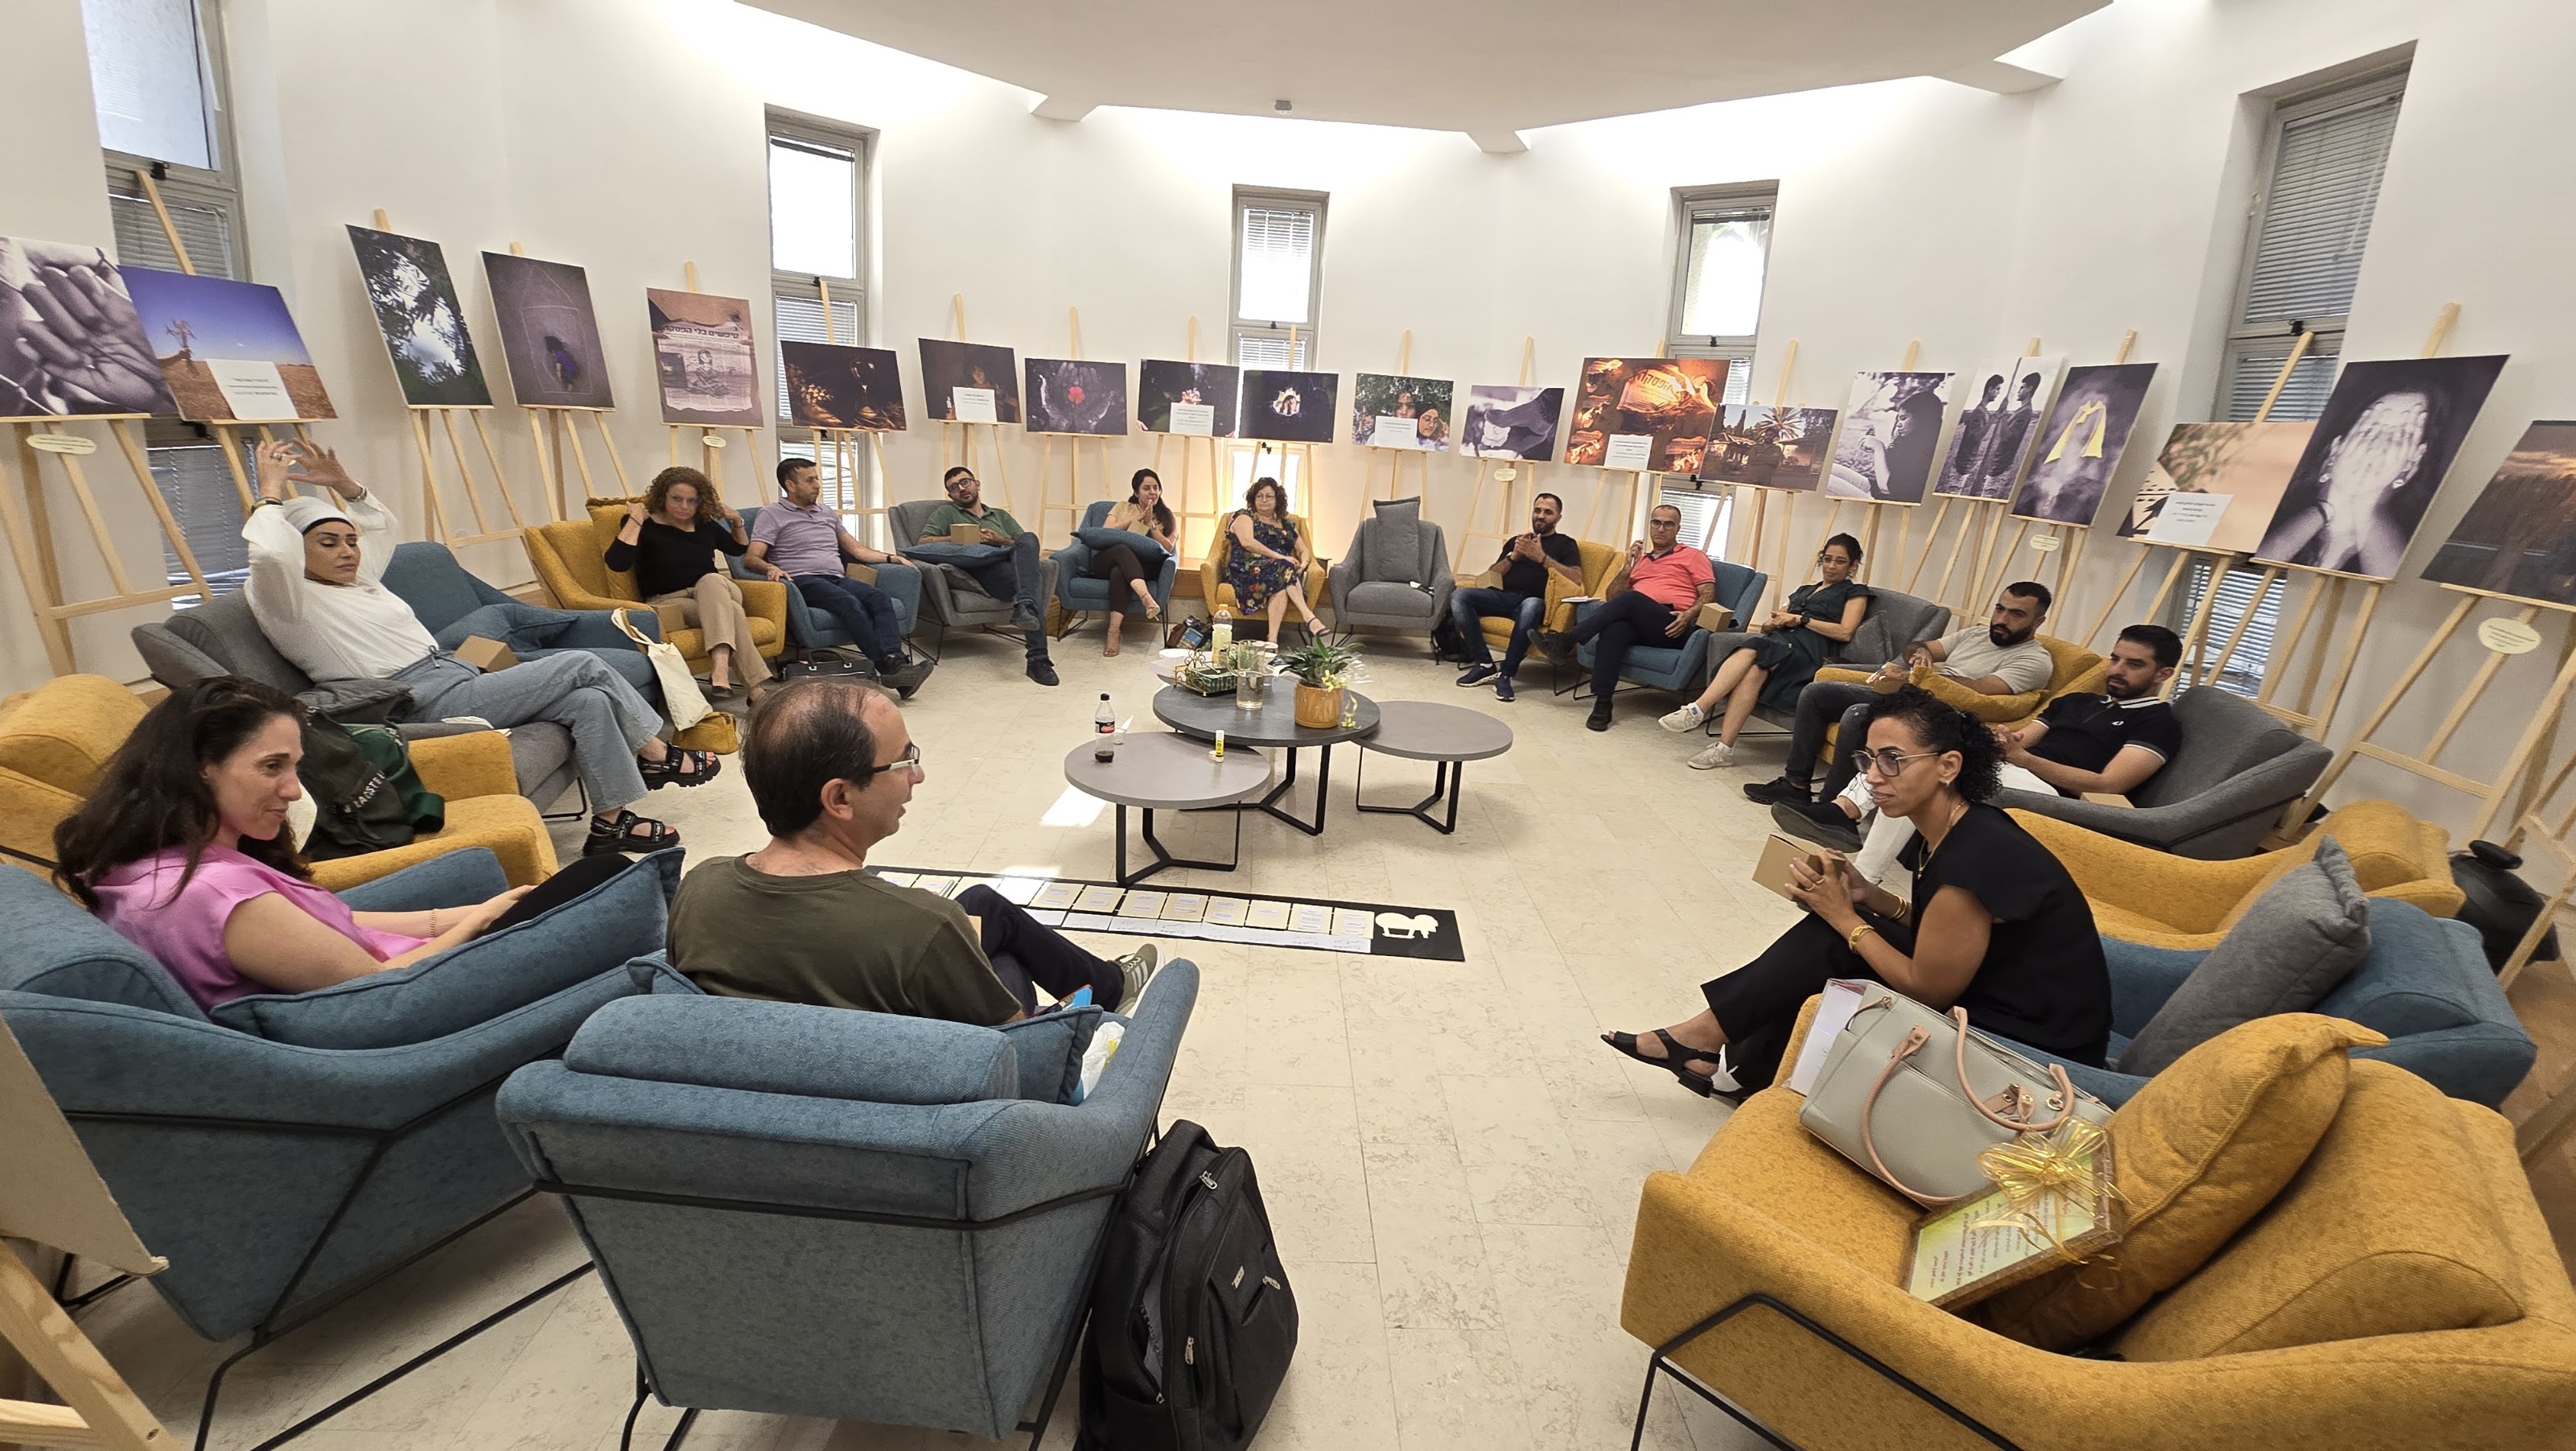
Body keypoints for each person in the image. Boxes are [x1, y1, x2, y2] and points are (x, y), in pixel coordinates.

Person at [1602, 686, 2112, 1097]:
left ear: (1948, 766)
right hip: (1999, 981)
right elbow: (1947, 930)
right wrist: (1869, 896)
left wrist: (1847, 918)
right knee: (1833, 928)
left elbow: (1928, 988)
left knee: (1835, 935)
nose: (1871, 777)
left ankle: (1707, 1044)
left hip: (2036, 1036)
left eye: (1892, 760)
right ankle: (1721, 1053)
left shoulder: (1973, 855)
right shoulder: (1955, 827)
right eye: (1867, 759)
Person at [243, 438, 712, 858]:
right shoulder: (288, 601)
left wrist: (348, 488)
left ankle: (612, 824)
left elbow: (381, 525)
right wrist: (268, 494)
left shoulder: (357, 580)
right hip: (412, 699)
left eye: (350, 541)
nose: (348, 551)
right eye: (329, 543)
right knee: (581, 664)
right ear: (296, 549)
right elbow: (269, 555)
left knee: (588, 700)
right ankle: (656, 752)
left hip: (453, 672)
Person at [56, 677, 636, 1011]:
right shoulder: (213, 896)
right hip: (416, 997)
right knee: (613, 880)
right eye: (272, 766)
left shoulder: (156, 866)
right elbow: (378, 989)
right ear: (200, 767)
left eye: (295, 765)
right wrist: (478, 926)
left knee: (575, 886)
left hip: (407, 967)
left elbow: (331, 923)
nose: (292, 789)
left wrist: (460, 913)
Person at [666, 678, 1160, 1022]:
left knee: (984, 905)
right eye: (903, 762)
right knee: (1005, 960)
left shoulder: (700, 889)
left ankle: (1109, 986)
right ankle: (1104, 994)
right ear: (839, 798)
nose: (917, 775)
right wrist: (1058, 1018)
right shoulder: (922, 926)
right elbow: (1025, 1058)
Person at [1776, 626, 2183, 883]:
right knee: (1914, 752)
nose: (2116, 669)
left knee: (1930, 773)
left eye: (2133, 664)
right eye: (2115, 658)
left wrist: (2026, 760)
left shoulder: (2158, 723)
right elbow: (2027, 736)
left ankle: (1862, 867)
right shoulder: (2078, 702)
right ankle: (1845, 812)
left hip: (2055, 795)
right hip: (2015, 768)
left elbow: (2110, 784)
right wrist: (2002, 740)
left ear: (2163, 674)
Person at [1737, 580, 2057, 802]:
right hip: (1915, 695)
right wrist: (1922, 655)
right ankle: (1795, 784)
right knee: (1818, 692)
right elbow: (1916, 647)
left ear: (2039, 621)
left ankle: (1834, 806)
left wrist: (1921, 677)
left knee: (1858, 714)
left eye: (2016, 614)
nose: (2002, 619)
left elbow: (1978, 692)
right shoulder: (1975, 635)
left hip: (1945, 714)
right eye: (2000, 609)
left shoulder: (2033, 660)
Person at [1655, 533, 1873, 766]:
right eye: (1828, 559)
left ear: (1852, 565)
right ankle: (1724, 749)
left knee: (1756, 647)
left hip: (1808, 653)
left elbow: (1845, 632)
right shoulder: (1805, 590)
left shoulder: (1855, 592)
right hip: (1781, 646)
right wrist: (1772, 623)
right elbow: (1782, 614)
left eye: (1840, 561)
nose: (1831, 566)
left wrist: (1801, 620)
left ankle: (1698, 709)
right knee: (1754, 671)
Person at [747, 456, 933, 695]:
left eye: (817, 478)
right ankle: (887, 667)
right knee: (849, 604)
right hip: (802, 580)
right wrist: (769, 568)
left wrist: (890, 558)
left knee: (880, 599)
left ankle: (896, 663)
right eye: (810, 480)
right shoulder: (772, 514)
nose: (817, 484)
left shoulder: (826, 512)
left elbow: (855, 549)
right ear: (790, 485)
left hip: (836, 577)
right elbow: (751, 558)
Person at [1536, 504, 1714, 731]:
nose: (1661, 529)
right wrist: (1626, 567)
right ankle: (1603, 703)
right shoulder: (1640, 559)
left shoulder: (1693, 556)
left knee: (1632, 599)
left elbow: (1708, 595)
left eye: (1668, 524)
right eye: (1656, 522)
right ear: (1650, 525)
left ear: (1678, 528)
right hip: (1640, 623)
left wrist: (1688, 615)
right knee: (1615, 629)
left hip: (1672, 624)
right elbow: (1612, 597)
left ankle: (1568, 639)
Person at [604, 466, 771, 702]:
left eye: (692, 501)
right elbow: (617, 562)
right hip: (670, 600)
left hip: (716, 591)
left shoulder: (705, 525)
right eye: (677, 499)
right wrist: (635, 519)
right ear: (663, 496)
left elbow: (738, 549)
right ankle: (756, 691)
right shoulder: (646, 525)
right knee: (731, 612)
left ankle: (720, 668)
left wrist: (736, 521)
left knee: (712, 580)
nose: (684, 507)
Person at [2255, 390, 2434, 577]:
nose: (2377, 445)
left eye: (2401, 435)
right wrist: (2328, 506)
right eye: (2371, 429)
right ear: (2334, 450)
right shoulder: (2269, 507)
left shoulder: (2416, 543)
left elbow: (2396, 591)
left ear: (2412, 464)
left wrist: (2366, 505)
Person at [917, 466, 1057, 686]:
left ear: (977, 484)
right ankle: (1038, 659)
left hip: (1011, 565)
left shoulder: (1000, 515)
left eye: (965, 482)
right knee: (1032, 582)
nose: (962, 489)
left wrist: (999, 539)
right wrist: (957, 537)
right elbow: (923, 542)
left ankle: (1025, 605)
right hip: (985, 570)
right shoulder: (946, 513)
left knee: (1029, 539)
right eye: (954, 487)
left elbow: (1023, 545)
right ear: (950, 495)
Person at [1449, 493, 1585, 703]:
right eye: (1537, 510)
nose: (1541, 516)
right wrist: (1514, 556)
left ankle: (1506, 675)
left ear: (1558, 518)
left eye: (1548, 512)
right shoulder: (1517, 541)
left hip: (1534, 601)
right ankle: (1484, 664)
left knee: (1530, 605)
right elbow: (1492, 576)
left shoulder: (1566, 544)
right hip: (1504, 597)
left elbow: (1576, 578)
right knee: (1459, 596)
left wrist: (1542, 558)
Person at [1224, 478, 1325, 643]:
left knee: (1282, 581)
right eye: (1259, 496)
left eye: (1269, 496)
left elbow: (1303, 550)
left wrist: (1304, 564)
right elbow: (1248, 543)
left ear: (1277, 499)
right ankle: (1309, 618)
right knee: (1285, 568)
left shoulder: (1286, 523)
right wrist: (1281, 557)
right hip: (1247, 568)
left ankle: (1272, 641)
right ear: (1253, 499)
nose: (1264, 500)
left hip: (1278, 571)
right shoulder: (1245, 516)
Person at [1093, 468, 1175, 656]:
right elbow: (1106, 532)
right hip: (1107, 559)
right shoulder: (1122, 507)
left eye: (1156, 488)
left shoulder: (1166, 516)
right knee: (1122, 550)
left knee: (1119, 573)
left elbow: (1169, 547)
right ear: (1136, 492)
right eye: (1146, 488)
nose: (1152, 492)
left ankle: (1113, 632)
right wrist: (1136, 518)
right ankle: (1146, 598)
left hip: (1142, 566)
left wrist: (1151, 525)